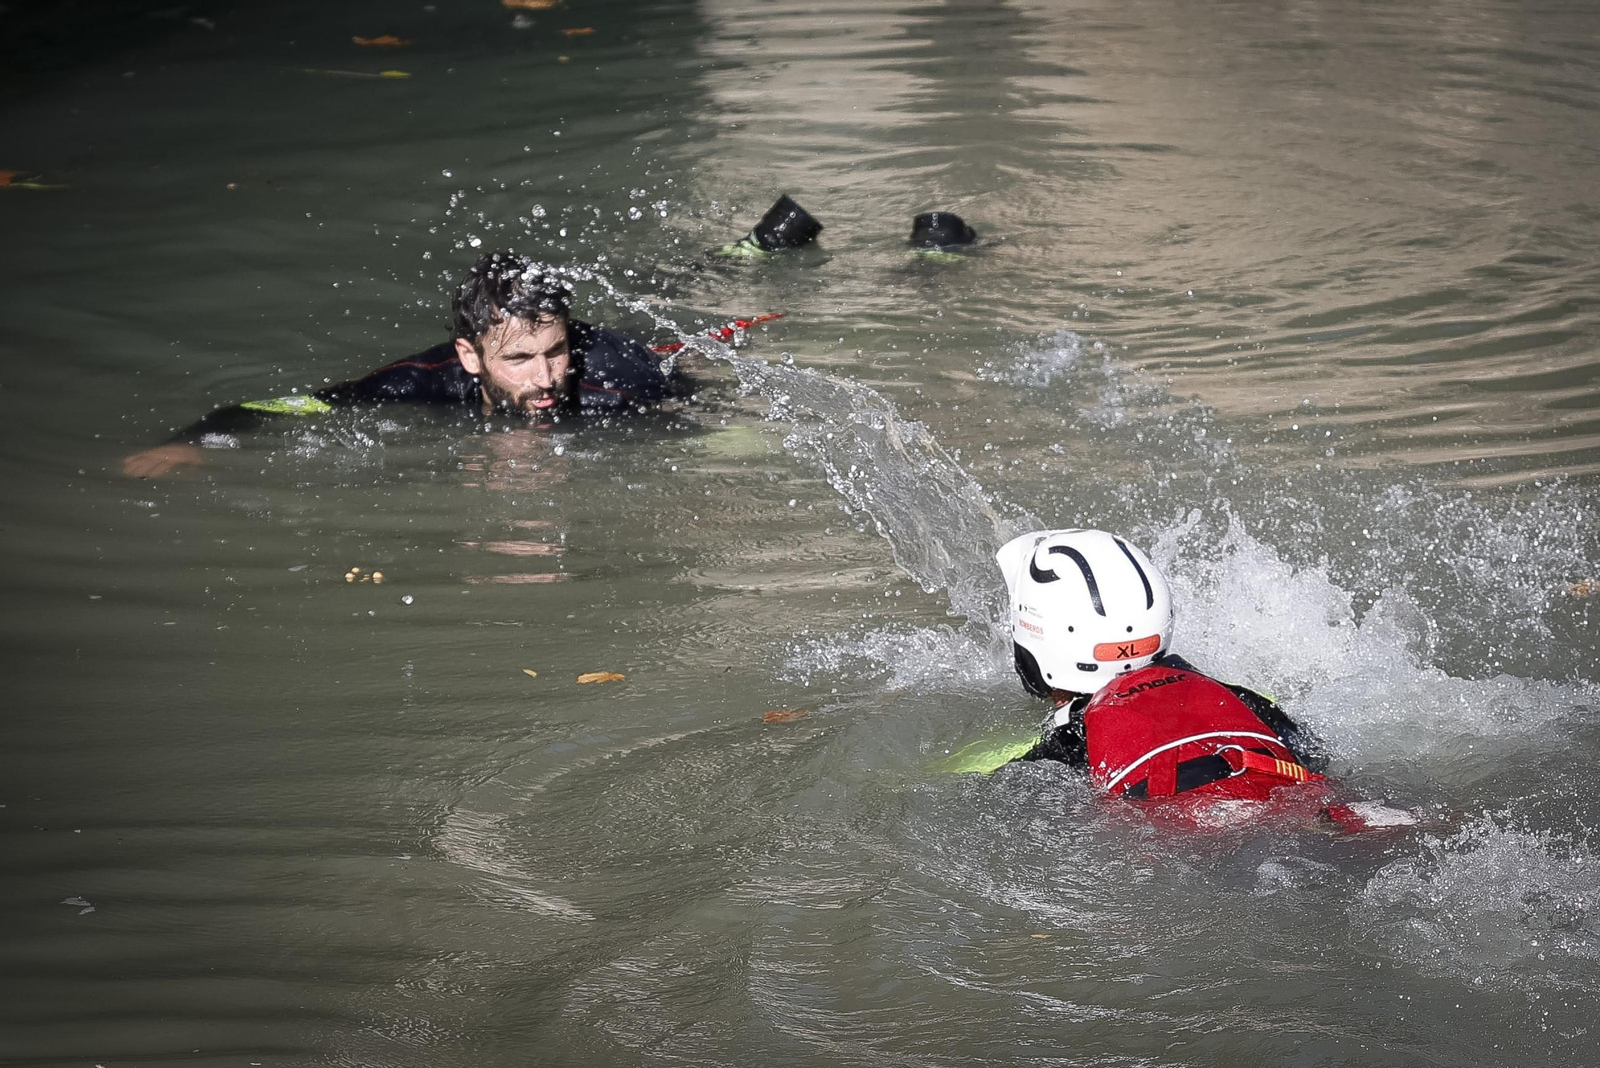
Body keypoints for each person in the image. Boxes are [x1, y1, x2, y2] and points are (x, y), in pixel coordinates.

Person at [122, 250, 697, 477]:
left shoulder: (614, 382)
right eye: (520, 358)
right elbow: (291, 405)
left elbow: (713, 412)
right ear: (470, 356)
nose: (546, 377)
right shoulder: (420, 382)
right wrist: (191, 439)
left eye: (556, 351)